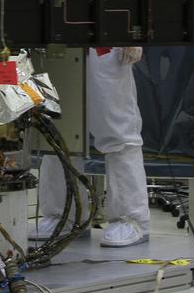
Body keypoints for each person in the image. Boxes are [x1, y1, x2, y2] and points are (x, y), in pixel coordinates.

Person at [32, 46, 150, 247]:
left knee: (118, 132)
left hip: (105, 46)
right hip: (57, 44)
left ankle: (131, 219)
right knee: (57, 130)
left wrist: (131, 36)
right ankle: (64, 216)